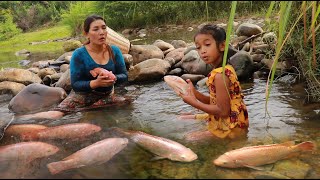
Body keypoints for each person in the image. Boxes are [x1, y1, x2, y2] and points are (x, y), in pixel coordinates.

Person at [15, 14, 129, 120]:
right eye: (96, 29)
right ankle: (21, 120)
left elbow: (124, 76)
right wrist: (96, 83)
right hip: (82, 95)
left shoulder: (115, 51)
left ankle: (93, 110)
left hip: (107, 95)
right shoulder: (79, 54)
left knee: (127, 103)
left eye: (104, 28)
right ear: (86, 33)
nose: (102, 32)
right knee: (56, 115)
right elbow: (76, 84)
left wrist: (113, 78)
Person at [179, 24, 249, 140]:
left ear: (222, 46)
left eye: (207, 45)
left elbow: (223, 111)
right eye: (198, 47)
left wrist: (193, 103)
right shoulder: (225, 69)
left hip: (232, 127)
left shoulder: (220, 75)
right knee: (183, 117)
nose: (203, 51)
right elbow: (216, 102)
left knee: (189, 138)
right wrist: (195, 94)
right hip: (235, 120)